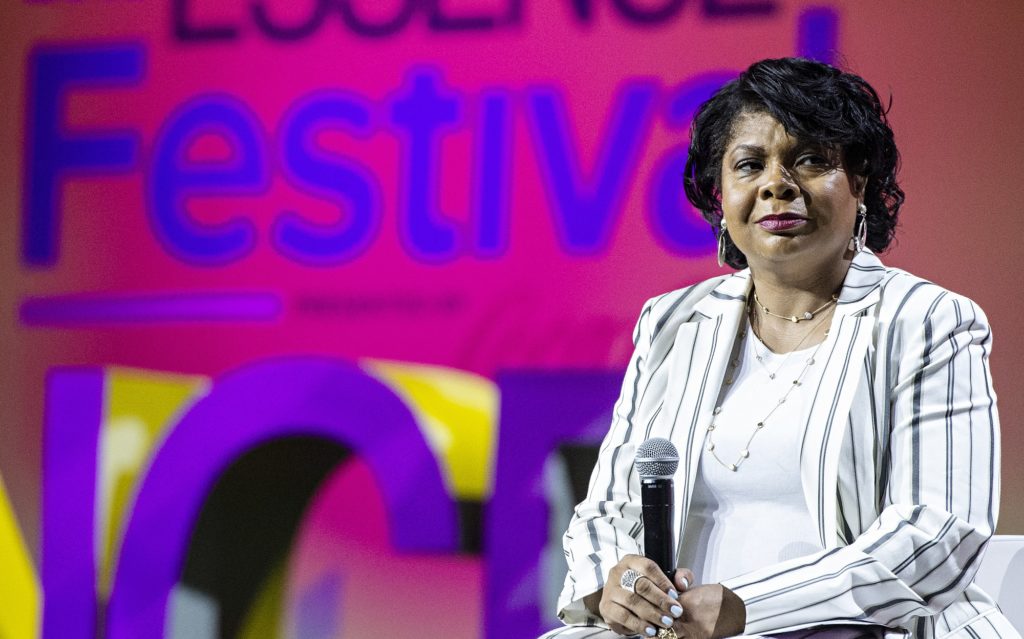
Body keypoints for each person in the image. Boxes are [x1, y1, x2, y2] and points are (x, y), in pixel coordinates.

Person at [541, 58, 1019, 639]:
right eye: (749, 165)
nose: (776, 184)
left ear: (860, 182)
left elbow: (936, 537)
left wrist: (748, 608)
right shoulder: (674, 321)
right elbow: (607, 507)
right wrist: (616, 582)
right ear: (721, 195)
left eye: (811, 160)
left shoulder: (928, 322)